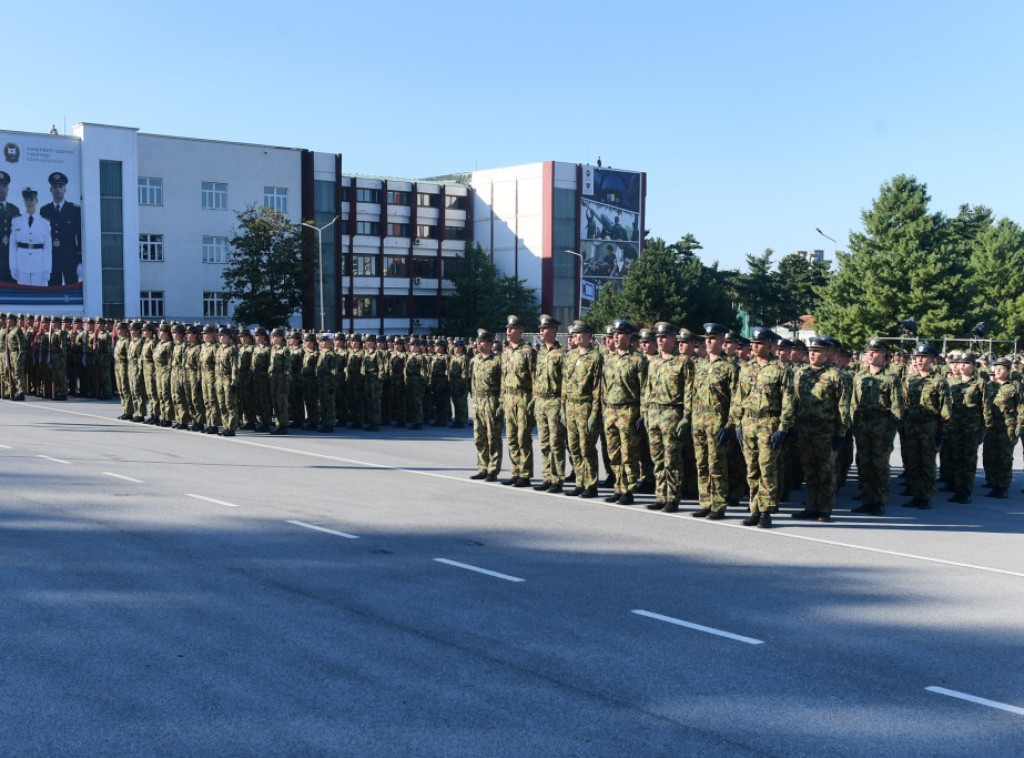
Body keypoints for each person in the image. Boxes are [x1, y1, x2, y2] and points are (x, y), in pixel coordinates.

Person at [730, 327, 794, 528]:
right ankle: (754, 509)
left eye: (759, 344)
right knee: (752, 469)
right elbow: (738, 398)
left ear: (770, 346)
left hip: (768, 423)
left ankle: (766, 511)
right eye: (753, 344)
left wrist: (783, 427)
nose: (755, 347)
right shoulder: (746, 368)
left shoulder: (781, 369)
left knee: (766, 468)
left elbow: (788, 400)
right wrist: (737, 423)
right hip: (748, 423)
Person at [791, 336, 850, 522]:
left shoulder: (837, 375)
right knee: (810, 471)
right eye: (810, 352)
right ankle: (811, 506)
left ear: (826, 354)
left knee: (826, 471)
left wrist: (841, 433)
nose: (812, 355)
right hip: (805, 430)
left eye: (817, 351)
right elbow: (795, 402)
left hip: (826, 431)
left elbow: (844, 406)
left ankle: (825, 509)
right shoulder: (801, 373)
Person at [849, 338, 902, 515]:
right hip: (863, 428)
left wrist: (890, 433)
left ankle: (878, 501)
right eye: (868, 351)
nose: (870, 354)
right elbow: (853, 404)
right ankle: (866, 499)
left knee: (880, 466)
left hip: (881, 428)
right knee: (863, 464)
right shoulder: (859, 377)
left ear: (883, 355)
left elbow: (896, 407)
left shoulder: (891, 378)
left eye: (875, 351)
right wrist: (854, 426)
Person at [691, 323, 738, 519]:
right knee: (701, 464)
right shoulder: (700, 365)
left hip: (717, 421)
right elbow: (693, 394)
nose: (708, 342)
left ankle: (718, 504)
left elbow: (736, 399)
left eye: (712, 339)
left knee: (716, 465)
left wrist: (729, 425)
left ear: (721, 341)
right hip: (699, 420)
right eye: (706, 339)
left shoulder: (729, 367)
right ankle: (705, 501)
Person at [643, 322, 690, 512]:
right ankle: (661, 495)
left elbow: (688, 390)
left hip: (672, 414)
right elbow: (648, 389)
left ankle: (673, 497)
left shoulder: (683, 362)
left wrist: (686, 416)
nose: (660, 341)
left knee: (672, 459)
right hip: (654, 413)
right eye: (658, 338)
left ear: (673, 339)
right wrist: (646, 412)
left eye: (664, 337)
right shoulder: (653, 362)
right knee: (657, 458)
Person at [601, 318, 647, 505]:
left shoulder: (638, 360)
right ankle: (618, 487)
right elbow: (604, 386)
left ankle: (628, 490)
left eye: (620, 334)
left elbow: (645, 388)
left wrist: (642, 414)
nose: (616, 337)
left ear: (629, 336)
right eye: (614, 334)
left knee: (628, 453)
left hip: (629, 411)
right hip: (611, 410)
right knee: (614, 453)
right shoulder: (609, 360)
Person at [901, 343, 950, 510]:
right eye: (918, 357)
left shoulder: (939, 381)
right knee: (913, 463)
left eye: (924, 357)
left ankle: (926, 496)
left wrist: (942, 431)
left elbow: (945, 408)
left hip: (930, 427)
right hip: (912, 426)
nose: (920, 360)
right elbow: (905, 404)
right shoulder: (910, 380)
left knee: (927, 464)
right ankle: (915, 494)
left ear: (932, 360)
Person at [563, 321, 603, 498]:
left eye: (579, 333)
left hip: (586, 405)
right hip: (571, 405)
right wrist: (563, 408)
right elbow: (565, 382)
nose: (575, 336)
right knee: (573, 447)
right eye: (574, 333)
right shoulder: (570, 356)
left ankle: (591, 484)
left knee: (586, 447)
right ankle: (580, 481)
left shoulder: (595, 357)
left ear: (588, 336)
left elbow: (597, 388)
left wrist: (594, 413)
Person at [532, 314, 567, 493]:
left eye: (545, 329)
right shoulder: (541, 353)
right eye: (540, 329)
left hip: (554, 401)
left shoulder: (562, 354)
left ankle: (558, 478)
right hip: (541, 401)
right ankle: (547, 476)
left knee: (556, 442)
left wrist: (563, 405)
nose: (541, 331)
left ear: (554, 331)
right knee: (544, 442)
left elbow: (565, 382)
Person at [500, 315, 535, 487]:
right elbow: (503, 378)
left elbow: (536, 378)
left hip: (523, 398)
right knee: (511, 437)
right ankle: (515, 471)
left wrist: (532, 401)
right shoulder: (506, 352)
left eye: (512, 328)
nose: (508, 331)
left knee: (523, 438)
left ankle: (525, 473)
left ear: (521, 330)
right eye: (507, 328)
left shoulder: (528, 352)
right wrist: (501, 399)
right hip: (509, 398)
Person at [981, 357, 1022, 499]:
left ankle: (1002, 486)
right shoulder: (989, 386)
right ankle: (993, 482)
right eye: (996, 367)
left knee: (1004, 457)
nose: (997, 370)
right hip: (991, 426)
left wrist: (1020, 425)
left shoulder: (1015, 386)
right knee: (989, 455)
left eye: (1002, 368)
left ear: (1009, 371)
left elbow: (1021, 406)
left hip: (1007, 426)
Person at [469, 329, 502, 481]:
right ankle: (482, 467)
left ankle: (492, 470)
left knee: (493, 437)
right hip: (478, 402)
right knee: (479, 437)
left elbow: (503, 384)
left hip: (491, 401)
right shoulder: (475, 360)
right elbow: (472, 381)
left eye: (481, 341)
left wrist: (500, 404)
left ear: (489, 343)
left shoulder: (497, 361)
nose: (478, 343)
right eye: (478, 341)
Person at [39, 172, 81, 285]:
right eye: (55, 186)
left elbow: (80, 235)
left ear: (65, 189)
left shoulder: (74, 209)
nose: (58, 189)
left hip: (70, 258)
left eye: (60, 186)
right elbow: (42, 236)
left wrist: (80, 260)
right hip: (52, 258)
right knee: (53, 292)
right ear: (50, 189)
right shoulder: (44, 210)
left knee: (72, 291)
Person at [9, 188, 51, 286]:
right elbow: (13, 246)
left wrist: (47, 269)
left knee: (39, 296)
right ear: (24, 201)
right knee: (23, 296)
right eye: (26, 200)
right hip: (22, 264)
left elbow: (47, 248)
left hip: (39, 265)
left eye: (31, 200)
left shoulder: (45, 223)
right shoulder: (16, 221)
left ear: (36, 201)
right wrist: (13, 267)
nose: (29, 203)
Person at [0, 171, 19, 283]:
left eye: (4, 185)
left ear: (8, 188)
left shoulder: (14, 210)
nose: (1, 188)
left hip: (9, 262)